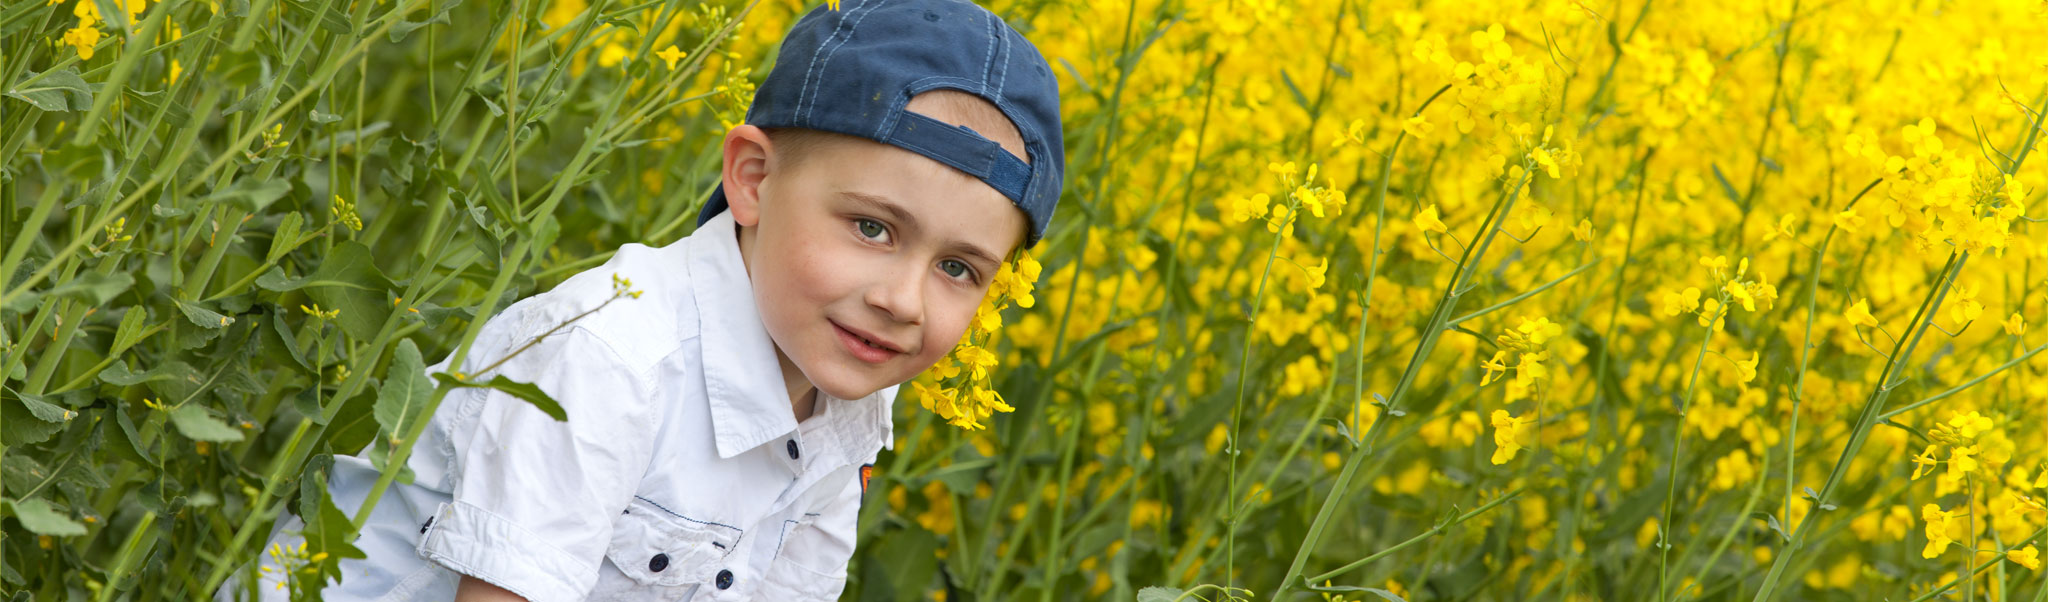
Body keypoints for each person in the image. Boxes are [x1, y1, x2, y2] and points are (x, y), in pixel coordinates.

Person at [213, 0, 1065, 599]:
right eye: (873, 229)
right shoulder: (613, 354)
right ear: (753, 180)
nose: (903, 300)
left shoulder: (846, 413)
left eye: (959, 269)